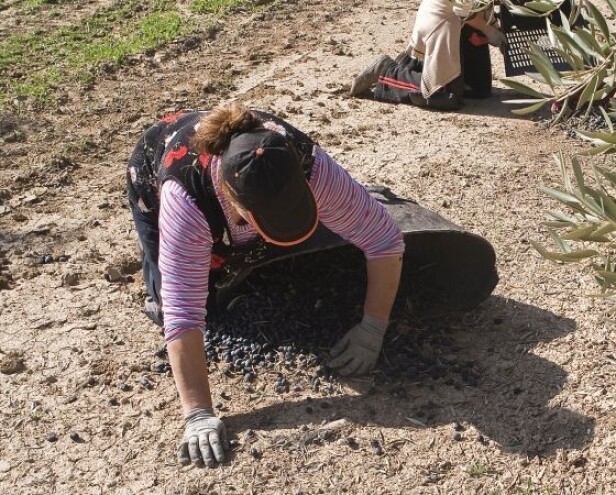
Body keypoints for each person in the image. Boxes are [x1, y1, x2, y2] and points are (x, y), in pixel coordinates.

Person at [125, 102, 405, 467]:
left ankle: (241, 255)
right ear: (235, 201)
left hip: (238, 192)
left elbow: (384, 239)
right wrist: (198, 413)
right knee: (180, 294)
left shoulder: (307, 163)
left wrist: (373, 327)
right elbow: (184, 312)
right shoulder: (186, 202)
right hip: (155, 167)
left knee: (259, 259)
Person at [349, 0, 506, 110]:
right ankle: (388, 71)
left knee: (479, 89)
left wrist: (494, 30)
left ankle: (419, 67)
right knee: (445, 96)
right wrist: (489, 31)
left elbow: (481, 6)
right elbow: (462, 7)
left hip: (460, 23)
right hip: (440, 23)